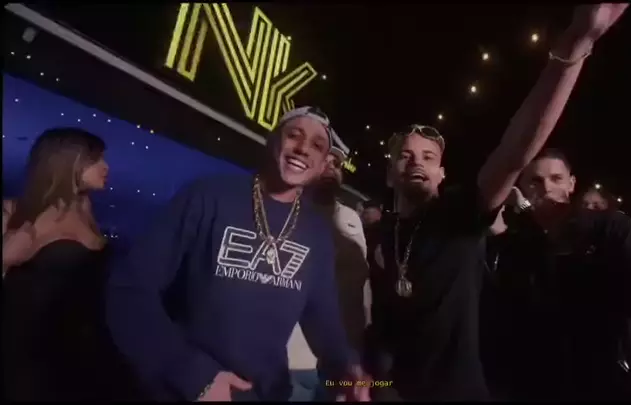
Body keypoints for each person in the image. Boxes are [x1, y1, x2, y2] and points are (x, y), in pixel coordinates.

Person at [365, 4, 630, 401]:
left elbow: (514, 151)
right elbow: (385, 327)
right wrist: (366, 382)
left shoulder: (460, 214)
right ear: (390, 174)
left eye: (428, 157)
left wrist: (575, 46)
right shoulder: (382, 233)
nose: (417, 161)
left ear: (442, 174)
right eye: (405, 155)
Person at [105, 107, 370, 402]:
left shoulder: (316, 231)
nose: (303, 148)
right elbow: (129, 290)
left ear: (322, 165)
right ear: (272, 141)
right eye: (294, 135)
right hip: (190, 392)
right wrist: (194, 375)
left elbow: (323, 319)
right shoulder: (208, 196)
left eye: (317, 146)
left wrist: (347, 369)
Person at [484, 147, 631, 400]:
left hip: (603, 378)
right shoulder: (516, 244)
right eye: (535, 181)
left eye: (556, 179)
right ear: (522, 187)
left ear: (571, 184)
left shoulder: (610, 227)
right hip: (538, 382)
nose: (546, 188)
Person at [2, 127, 138, 400]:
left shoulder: (88, 215)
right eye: (95, 159)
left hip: (86, 357)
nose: (106, 167)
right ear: (66, 161)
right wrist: (5, 259)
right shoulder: (12, 213)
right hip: (29, 358)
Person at [287, 137, 371, 401]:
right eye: (326, 161)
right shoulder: (285, 211)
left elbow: (361, 286)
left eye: (337, 164)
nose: (332, 167)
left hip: (343, 359)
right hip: (295, 361)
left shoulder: (351, 218)